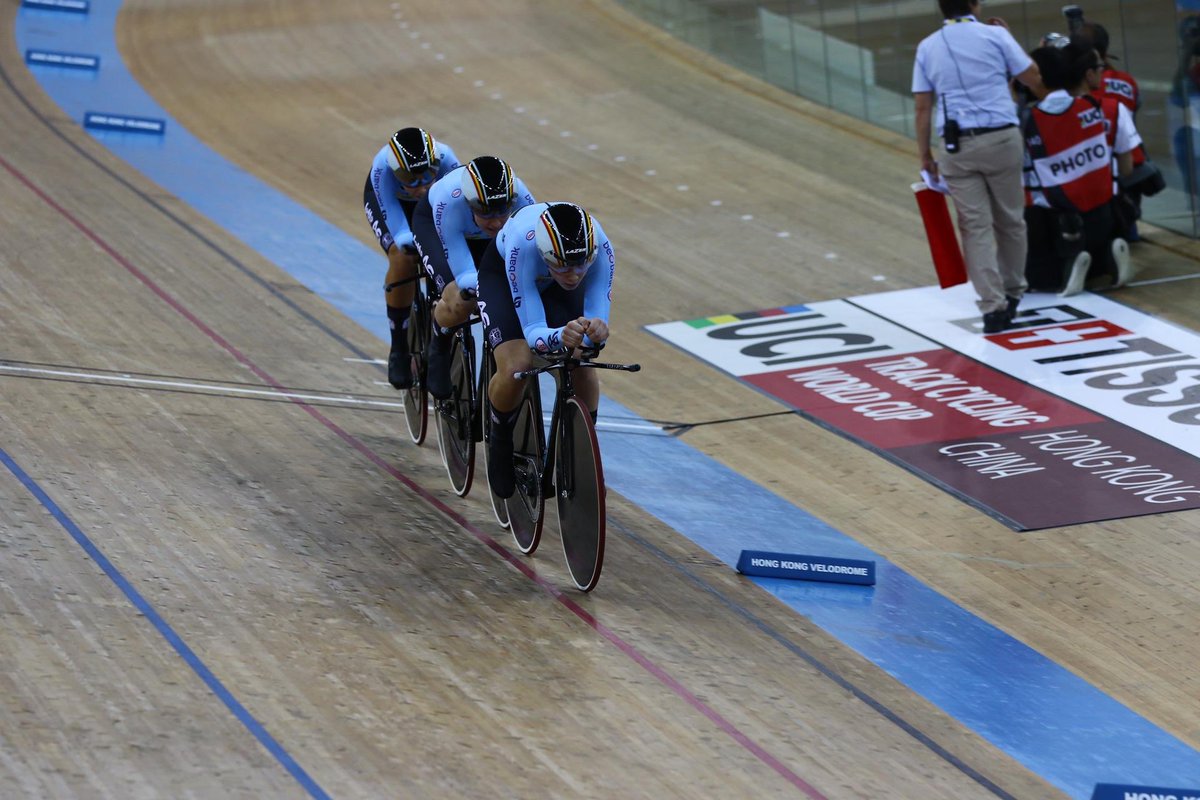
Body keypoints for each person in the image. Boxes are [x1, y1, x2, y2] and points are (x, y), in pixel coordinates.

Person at [912, 0, 1043, 333]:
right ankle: (1013, 292)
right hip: (1001, 140)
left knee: (975, 227)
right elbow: (1032, 77)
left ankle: (992, 307)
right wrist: (1009, 41)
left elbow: (922, 107)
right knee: (1011, 221)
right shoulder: (996, 36)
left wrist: (925, 154)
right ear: (975, 4)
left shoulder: (927, 46)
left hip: (957, 148)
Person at [476, 202, 614, 498]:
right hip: (504, 279)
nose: (573, 275)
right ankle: (500, 440)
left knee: (582, 364)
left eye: (581, 265)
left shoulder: (600, 247)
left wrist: (596, 334)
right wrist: (561, 335)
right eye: (562, 265)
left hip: (552, 286)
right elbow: (534, 334)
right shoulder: (523, 246)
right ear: (545, 254)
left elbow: (596, 322)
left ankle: (583, 451)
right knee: (517, 367)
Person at [411, 156, 537, 400]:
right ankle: (439, 343)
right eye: (486, 211)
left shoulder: (522, 198)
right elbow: (465, 275)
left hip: (488, 241)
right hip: (440, 231)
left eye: (503, 210)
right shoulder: (450, 201)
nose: (497, 221)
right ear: (469, 203)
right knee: (460, 299)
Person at [1022, 42, 1135, 295]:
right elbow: (1125, 166)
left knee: (1033, 276)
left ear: (1038, 78)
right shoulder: (1093, 107)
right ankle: (1105, 257)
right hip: (1105, 213)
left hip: (1059, 222)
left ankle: (1068, 265)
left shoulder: (1031, 120)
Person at [363, 127, 460, 389]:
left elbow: (457, 212)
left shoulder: (448, 160)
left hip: (435, 207)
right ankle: (398, 346)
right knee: (402, 255)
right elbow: (400, 232)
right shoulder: (382, 168)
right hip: (394, 205)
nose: (422, 186)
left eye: (428, 175)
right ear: (396, 172)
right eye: (411, 179)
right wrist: (413, 243)